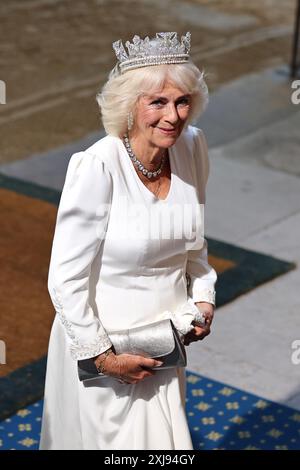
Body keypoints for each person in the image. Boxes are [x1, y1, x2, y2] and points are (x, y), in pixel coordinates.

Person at [40, 31, 217, 450]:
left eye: (182, 100)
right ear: (129, 106)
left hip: (166, 343)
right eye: (157, 102)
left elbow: (195, 245)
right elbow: (64, 280)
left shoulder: (192, 147)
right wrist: (104, 357)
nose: (172, 115)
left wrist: (204, 296)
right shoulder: (97, 166)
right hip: (108, 347)